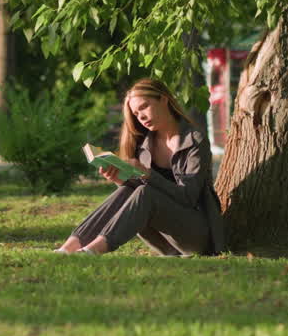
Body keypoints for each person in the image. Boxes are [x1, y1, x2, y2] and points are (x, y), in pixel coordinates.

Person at [54, 78, 226, 256]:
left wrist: (148, 174)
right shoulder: (144, 145)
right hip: (164, 241)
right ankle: (68, 248)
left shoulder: (195, 140)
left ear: (164, 99)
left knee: (146, 192)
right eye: (136, 113)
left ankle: (94, 249)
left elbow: (188, 197)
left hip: (196, 235)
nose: (141, 117)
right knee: (126, 191)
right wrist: (119, 180)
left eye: (144, 107)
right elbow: (138, 197)